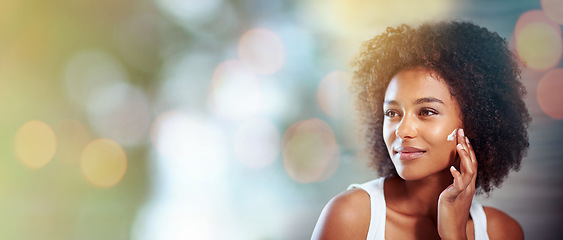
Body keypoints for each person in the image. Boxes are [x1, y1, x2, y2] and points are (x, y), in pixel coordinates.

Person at [311, 21, 530, 240]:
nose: (402, 130)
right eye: (391, 113)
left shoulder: (501, 231)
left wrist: (454, 234)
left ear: (473, 122)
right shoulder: (350, 217)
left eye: (426, 111)